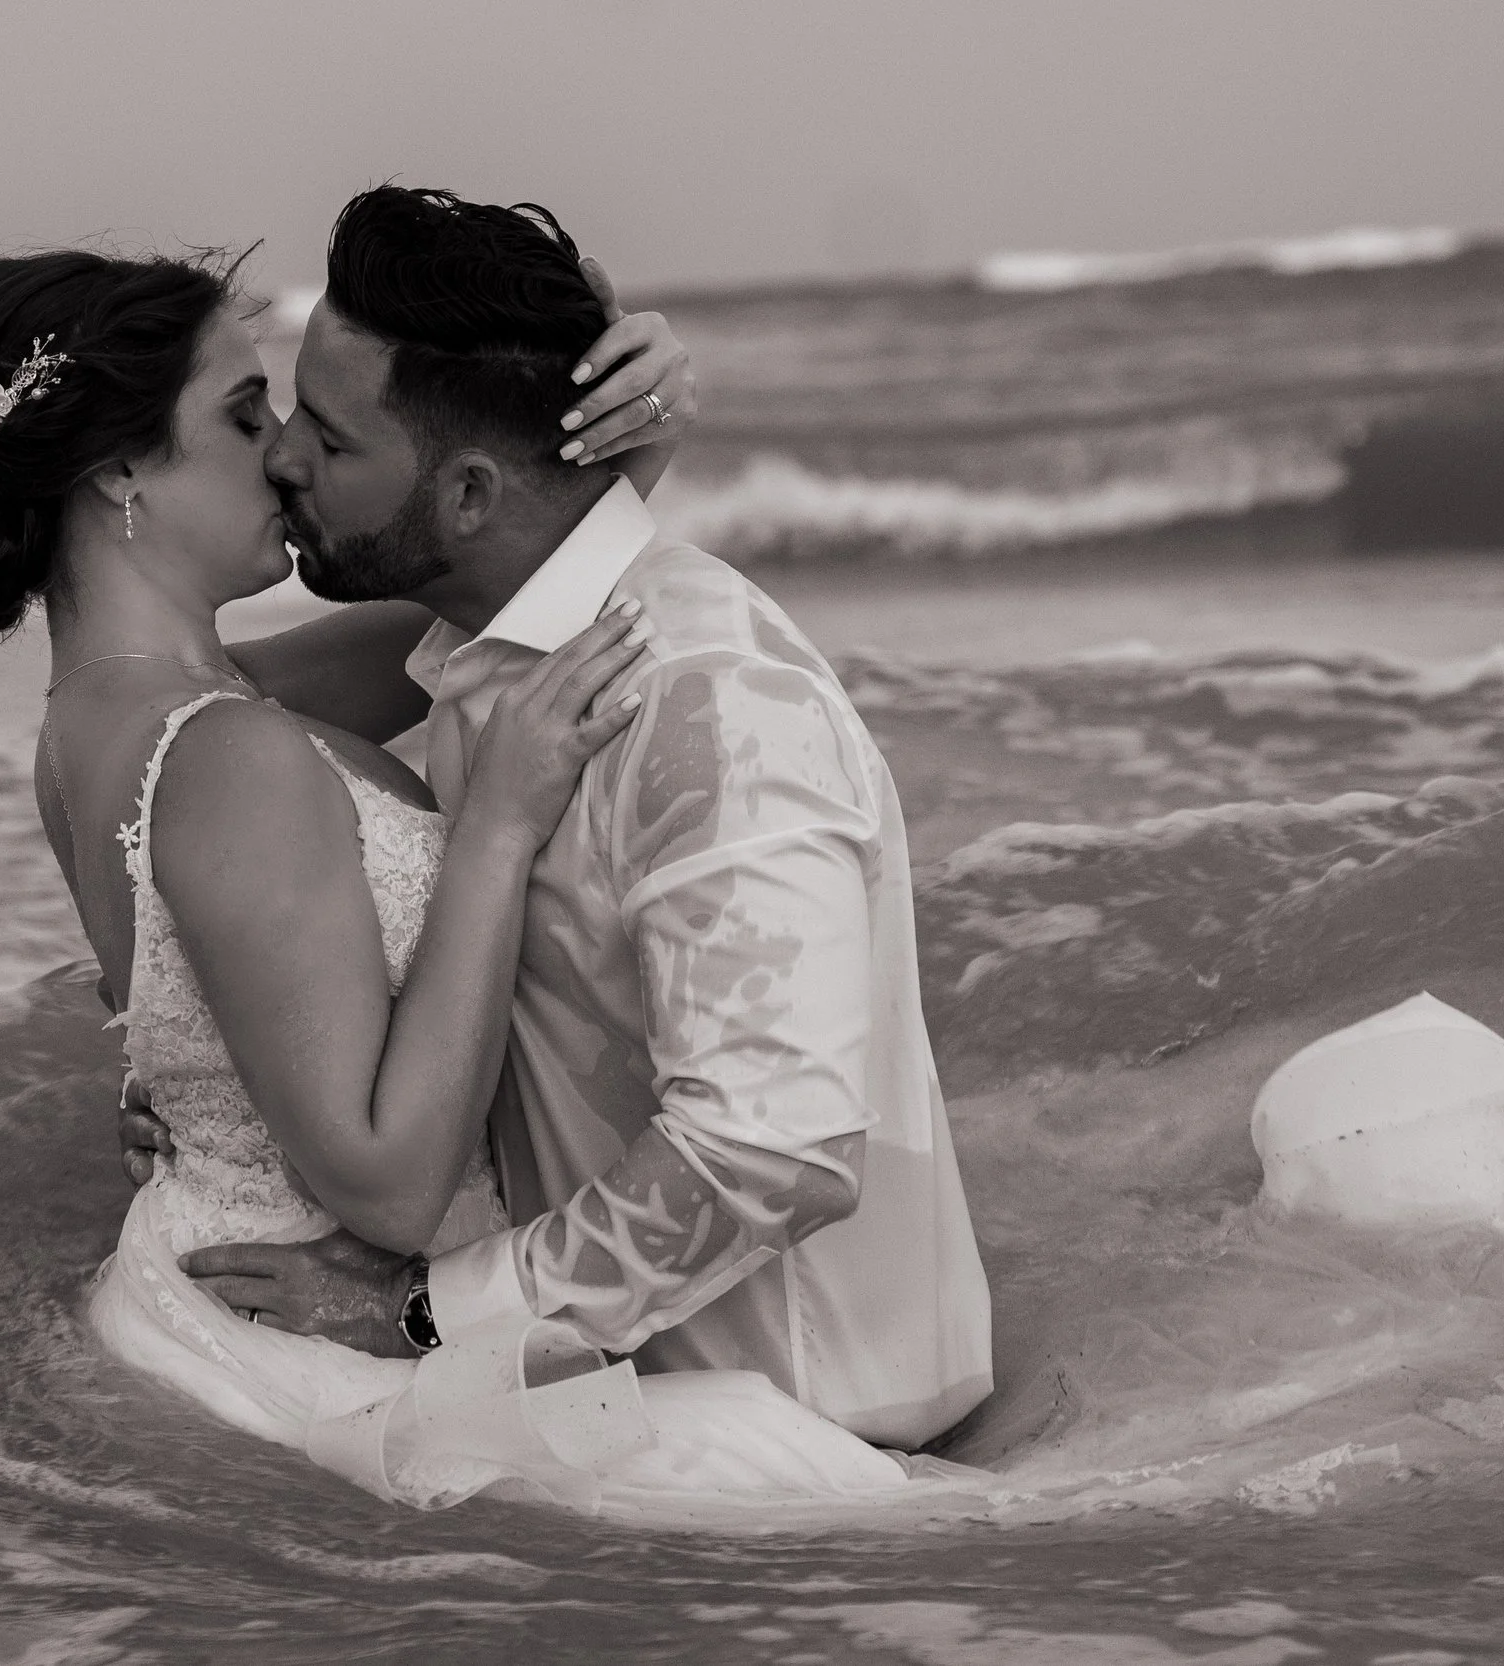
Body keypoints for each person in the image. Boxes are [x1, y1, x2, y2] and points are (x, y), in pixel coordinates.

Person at [0, 212, 937, 1516]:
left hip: (234, 1288)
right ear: (118, 478)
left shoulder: (123, 711)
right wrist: (491, 828)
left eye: (313, 428)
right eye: (249, 415)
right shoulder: (230, 748)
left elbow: (491, 596)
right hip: (333, 1329)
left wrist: (597, 442)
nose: (280, 458)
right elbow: (384, 1179)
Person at [133, 186, 995, 1459]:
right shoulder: (487, 655)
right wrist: (206, 1068)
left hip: (811, 1456)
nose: (284, 459)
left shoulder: (712, 707)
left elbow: (771, 1149)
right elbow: (182, 722)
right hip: (618, 1415)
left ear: (471, 495)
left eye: (329, 432)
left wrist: (423, 1313)